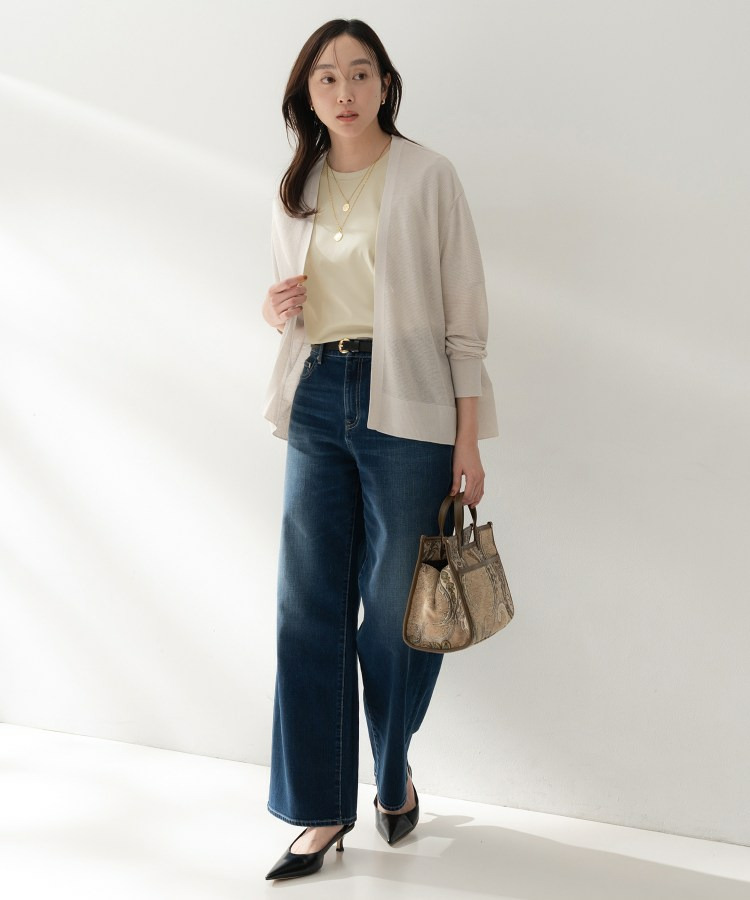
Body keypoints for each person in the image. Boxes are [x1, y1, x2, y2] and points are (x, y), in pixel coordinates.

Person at [260, 18, 499, 881]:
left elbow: (463, 320)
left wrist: (469, 435)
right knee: (307, 606)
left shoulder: (428, 176)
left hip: (411, 403)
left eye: (361, 74)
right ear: (308, 95)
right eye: (327, 78)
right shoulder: (297, 187)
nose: (346, 91)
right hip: (319, 395)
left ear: (386, 85)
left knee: (402, 611)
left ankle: (391, 767)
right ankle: (321, 810)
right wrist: (273, 310)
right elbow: (297, 304)